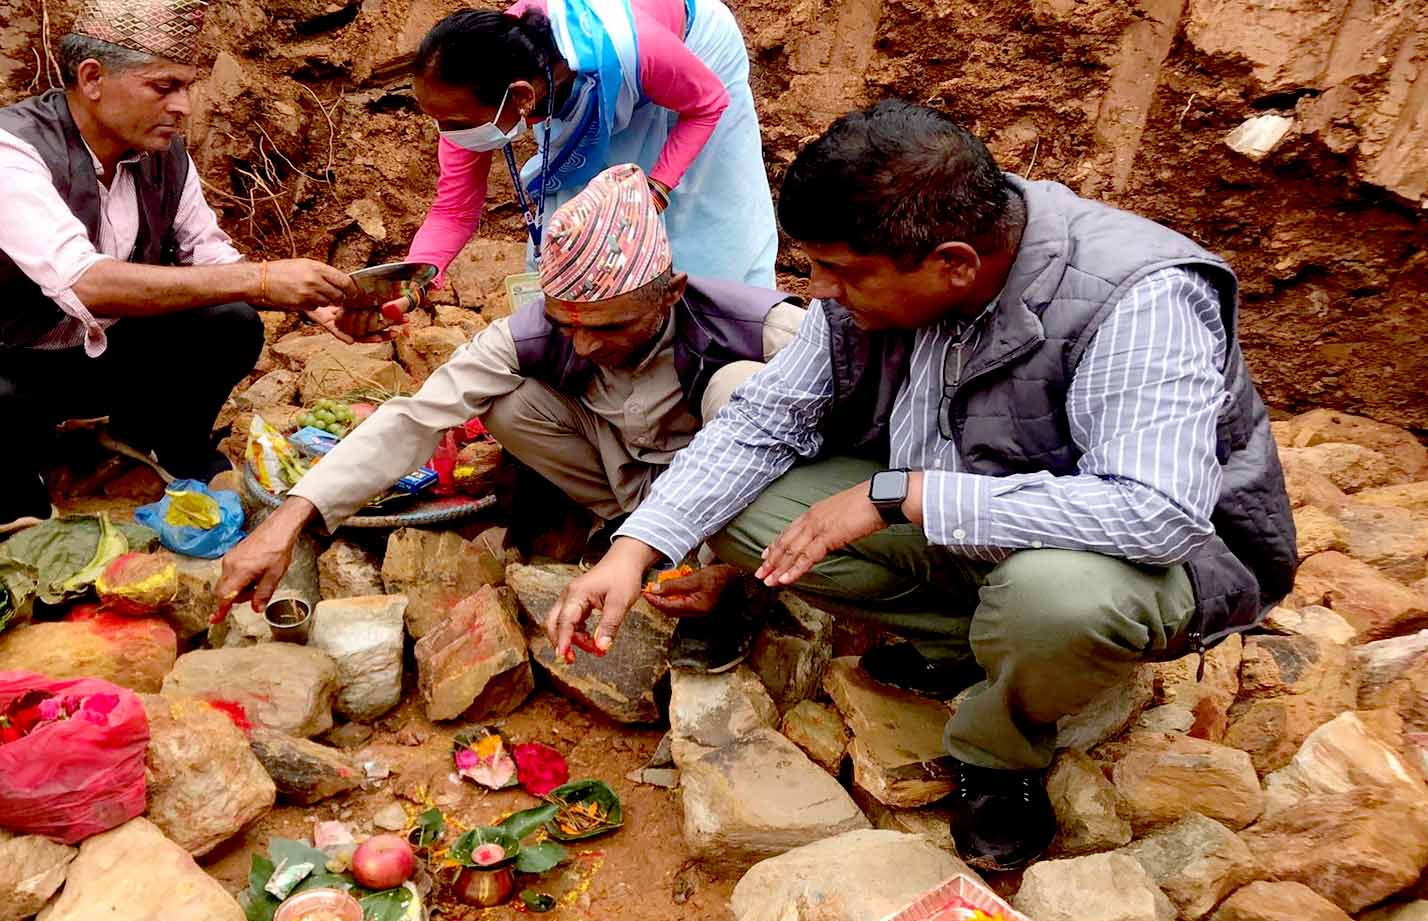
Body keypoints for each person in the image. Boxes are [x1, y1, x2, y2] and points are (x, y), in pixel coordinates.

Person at [553, 102, 1296, 871]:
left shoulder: (1139, 298)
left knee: (1057, 599)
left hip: (1136, 561)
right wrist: (637, 546)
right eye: (815, 265)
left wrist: (900, 495)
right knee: (747, 507)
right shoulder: (884, 274)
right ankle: (971, 645)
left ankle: (1001, 751)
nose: (821, 291)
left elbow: (1158, 513)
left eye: (840, 273)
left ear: (955, 264)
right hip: (969, 518)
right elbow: (761, 424)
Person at [217, 163, 802, 620]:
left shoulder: (762, 328)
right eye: (567, 324)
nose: (585, 347)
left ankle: (731, 574)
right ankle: (628, 538)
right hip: (628, 480)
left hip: (731, 504)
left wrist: (737, 570)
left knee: (740, 387)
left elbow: (852, 435)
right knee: (503, 399)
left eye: (609, 327)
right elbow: (417, 417)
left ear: (670, 292)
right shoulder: (533, 334)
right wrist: (288, 520)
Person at [0, 0, 359, 535]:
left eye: (187, 86)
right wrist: (262, 279)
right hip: (7, 355)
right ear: (92, 78)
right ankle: (11, 471)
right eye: (164, 86)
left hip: (105, 350)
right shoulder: (0, 148)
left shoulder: (163, 153)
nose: (183, 106)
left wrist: (319, 302)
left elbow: (208, 253)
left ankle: (167, 441)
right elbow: (84, 281)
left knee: (232, 321)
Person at [405, 0, 776, 290]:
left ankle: (719, 338)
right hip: (591, 77)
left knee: (705, 212)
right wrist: (413, 281)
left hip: (687, 53)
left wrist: (657, 188)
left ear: (521, 98)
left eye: (455, 124)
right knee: (582, 229)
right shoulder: (473, 91)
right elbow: (453, 211)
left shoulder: (637, 50)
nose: (447, 134)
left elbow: (708, 104)